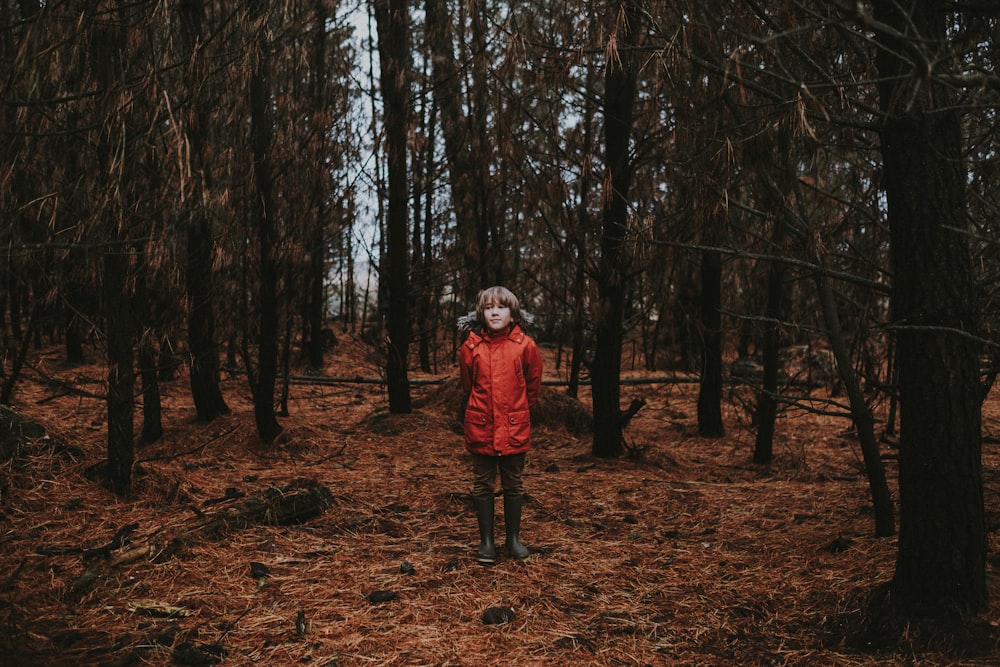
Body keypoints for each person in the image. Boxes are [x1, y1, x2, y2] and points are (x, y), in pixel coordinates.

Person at [458, 286, 543, 563]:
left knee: (513, 483)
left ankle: (513, 539)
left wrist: (517, 413)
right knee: (482, 484)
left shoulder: (525, 346)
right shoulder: (471, 347)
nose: (495, 312)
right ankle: (486, 542)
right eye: (488, 307)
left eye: (501, 307)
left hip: (514, 426)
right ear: (481, 313)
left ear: (513, 312)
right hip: (480, 425)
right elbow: (468, 386)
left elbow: (532, 386)